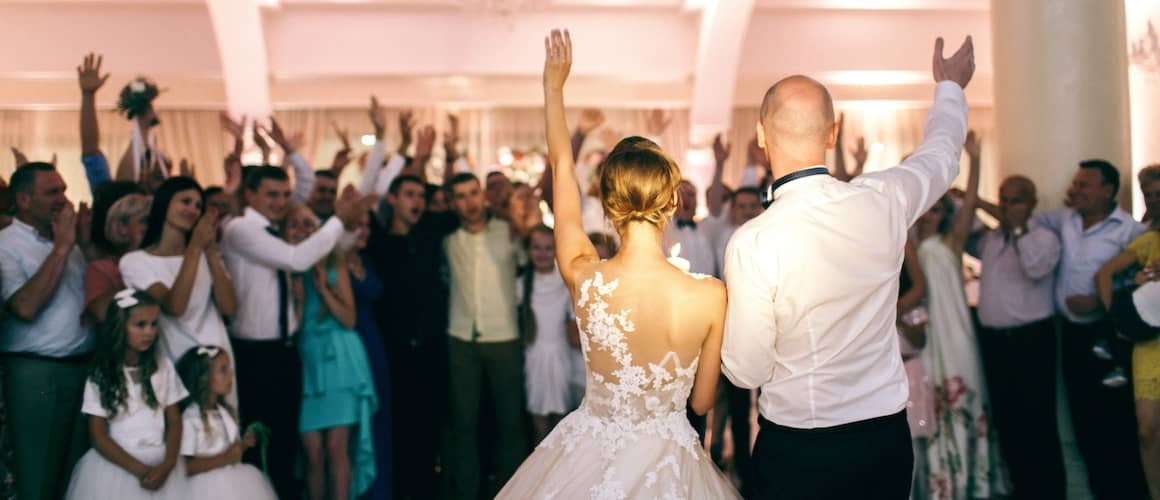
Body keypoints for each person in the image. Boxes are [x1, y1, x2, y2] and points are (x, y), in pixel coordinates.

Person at [720, 36, 974, 499]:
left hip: (797, 447)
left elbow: (747, 371)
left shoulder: (752, 242)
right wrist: (950, 88)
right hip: (883, 441)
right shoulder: (884, 200)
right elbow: (941, 158)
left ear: (759, 136)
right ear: (832, 133)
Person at [497, 30, 739, 498]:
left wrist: (553, 89)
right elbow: (704, 400)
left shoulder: (584, 275)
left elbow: (562, 173)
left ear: (607, 207)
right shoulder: (710, 295)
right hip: (672, 465)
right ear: (671, 204)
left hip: (586, 454)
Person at [219, 166, 374, 499]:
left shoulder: (277, 232)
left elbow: (332, 245)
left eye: (285, 195)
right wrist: (337, 218)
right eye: (271, 194)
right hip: (253, 353)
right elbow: (295, 259)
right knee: (258, 445)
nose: (280, 201)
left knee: (287, 450)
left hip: (286, 352)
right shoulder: (241, 229)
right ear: (250, 195)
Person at [913, 131, 1003, 497]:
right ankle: (939, 484)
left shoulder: (949, 243)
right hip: (924, 334)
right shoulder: (907, 244)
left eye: (938, 209)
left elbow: (967, 206)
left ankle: (972, 481)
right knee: (928, 406)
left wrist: (976, 159)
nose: (932, 214)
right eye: (928, 208)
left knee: (963, 394)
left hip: (957, 333)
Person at [0, 163, 93, 500]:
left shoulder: (65, 238)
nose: (63, 200)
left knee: (75, 479)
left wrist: (80, 243)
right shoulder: (6, 244)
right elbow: (24, 307)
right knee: (38, 478)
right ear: (23, 200)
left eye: (64, 190)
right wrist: (62, 249)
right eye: (52, 192)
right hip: (36, 372)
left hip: (81, 367)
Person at [975, 175, 1065, 499]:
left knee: (1036, 421)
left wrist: (1018, 229)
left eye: (1016, 200)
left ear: (1031, 203)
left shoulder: (1045, 238)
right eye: (1004, 199)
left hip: (1030, 342)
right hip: (996, 343)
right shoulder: (992, 240)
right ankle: (1020, 489)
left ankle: (1047, 492)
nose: (1008, 207)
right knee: (1007, 418)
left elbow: (1035, 268)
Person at [64, 290, 188, 500]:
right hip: (119, 466)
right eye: (140, 325)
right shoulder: (102, 374)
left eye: (154, 324)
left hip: (162, 461)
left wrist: (168, 464)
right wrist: (141, 471)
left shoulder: (163, 367)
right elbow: (98, 435)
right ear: (119, 327)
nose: (149, 332)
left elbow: (174, 419)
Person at [119, 177, 237, 388]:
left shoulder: (203, 255)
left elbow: (229, 308)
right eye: (185, 201)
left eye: (198, 205)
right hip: (175, 359)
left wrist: (209, 251)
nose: (192, 209)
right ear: (164, 204)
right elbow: (175, 307)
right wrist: (194, 247)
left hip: (218, 356)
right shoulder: (135, 261)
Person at [1095, 165, 1160, 500]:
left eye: (1157, 193)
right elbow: (1105, 274)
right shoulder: (1147, 238)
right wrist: (1116, 320)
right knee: (1147, 429)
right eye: (1148, 194)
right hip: (1149, 342)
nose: (1154, 200)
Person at [175, 345, 276, 500]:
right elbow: (186, 467)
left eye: (229, 368)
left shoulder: (224, 412)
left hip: (234, 478)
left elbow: (229, 452)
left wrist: (242, 445)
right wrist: (225, 459)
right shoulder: (191, 418)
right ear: (204, 378)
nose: (231, 375)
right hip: (205, 488)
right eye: (223, 370)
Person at [347, 217, 393, 500]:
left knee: (379, 417)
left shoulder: (367, 259)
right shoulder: (334, 261)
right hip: (349, 346)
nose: (362, 231)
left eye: (366, 226)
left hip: (373, 342)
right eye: (356, 225)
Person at [518, 225, 575, 443]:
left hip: (561, 355)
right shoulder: (521, 285)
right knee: (538, 413)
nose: (542, 254)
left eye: (548, 248)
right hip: (534, 356)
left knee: (561, 414)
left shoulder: (565, 284)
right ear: (528, 250)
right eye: (536, 248)